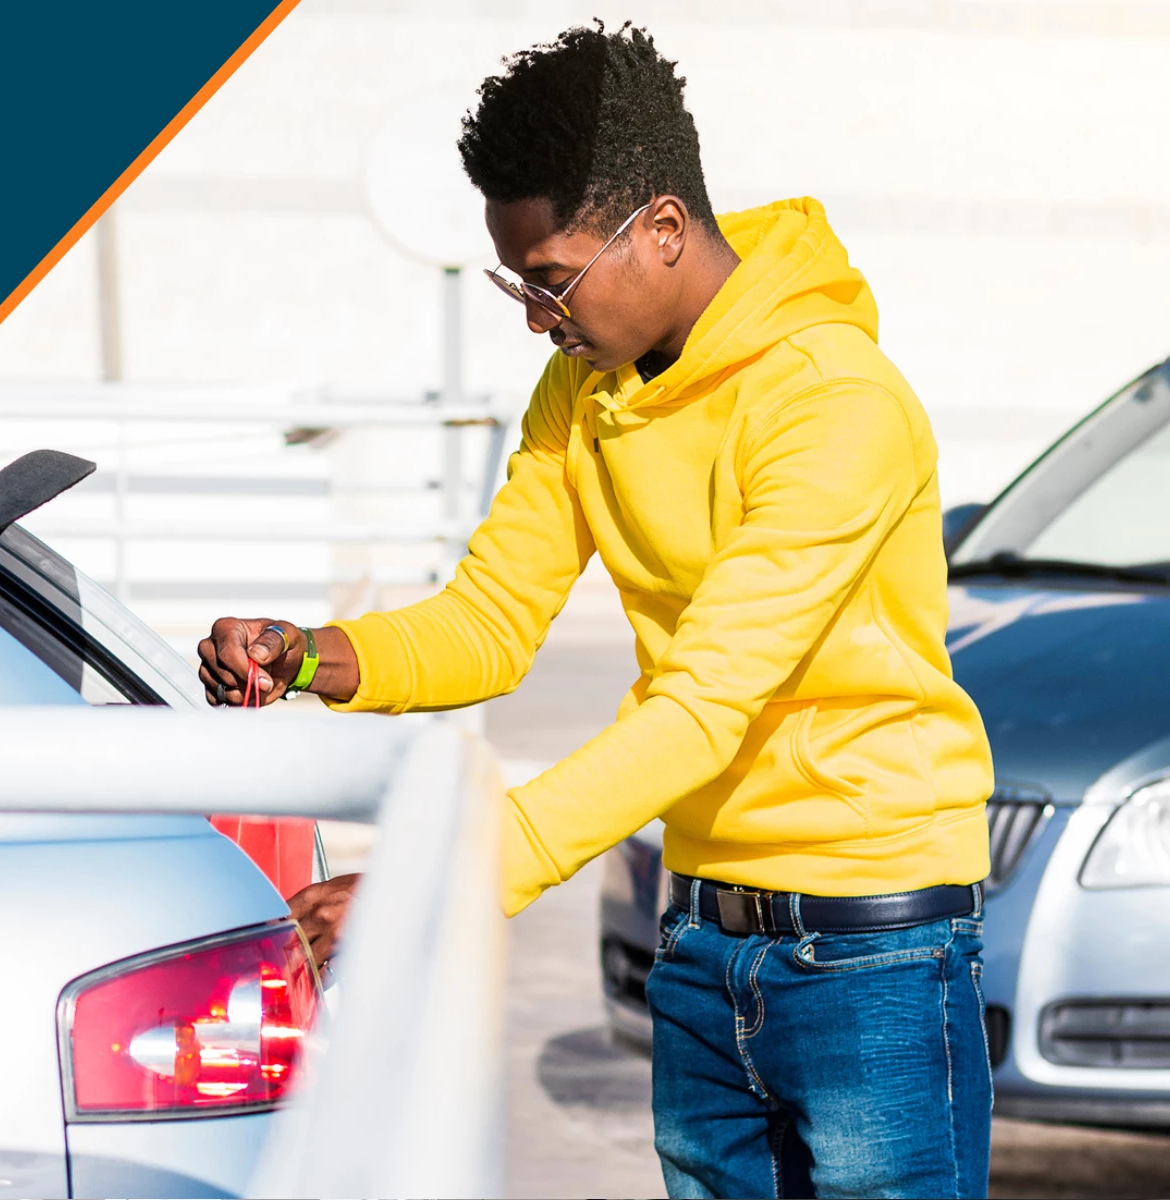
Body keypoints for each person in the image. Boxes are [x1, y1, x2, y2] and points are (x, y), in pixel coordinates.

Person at [198, 22, 994, 1200]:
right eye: (515, 283)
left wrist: (448, 878)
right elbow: (486, 624)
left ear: (661, 228)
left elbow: (700, 708)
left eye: (551, 278)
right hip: (700, 939)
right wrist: (311, 654)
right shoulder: (580, 390)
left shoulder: (831, 403)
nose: (535, 315)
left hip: (872, 945)